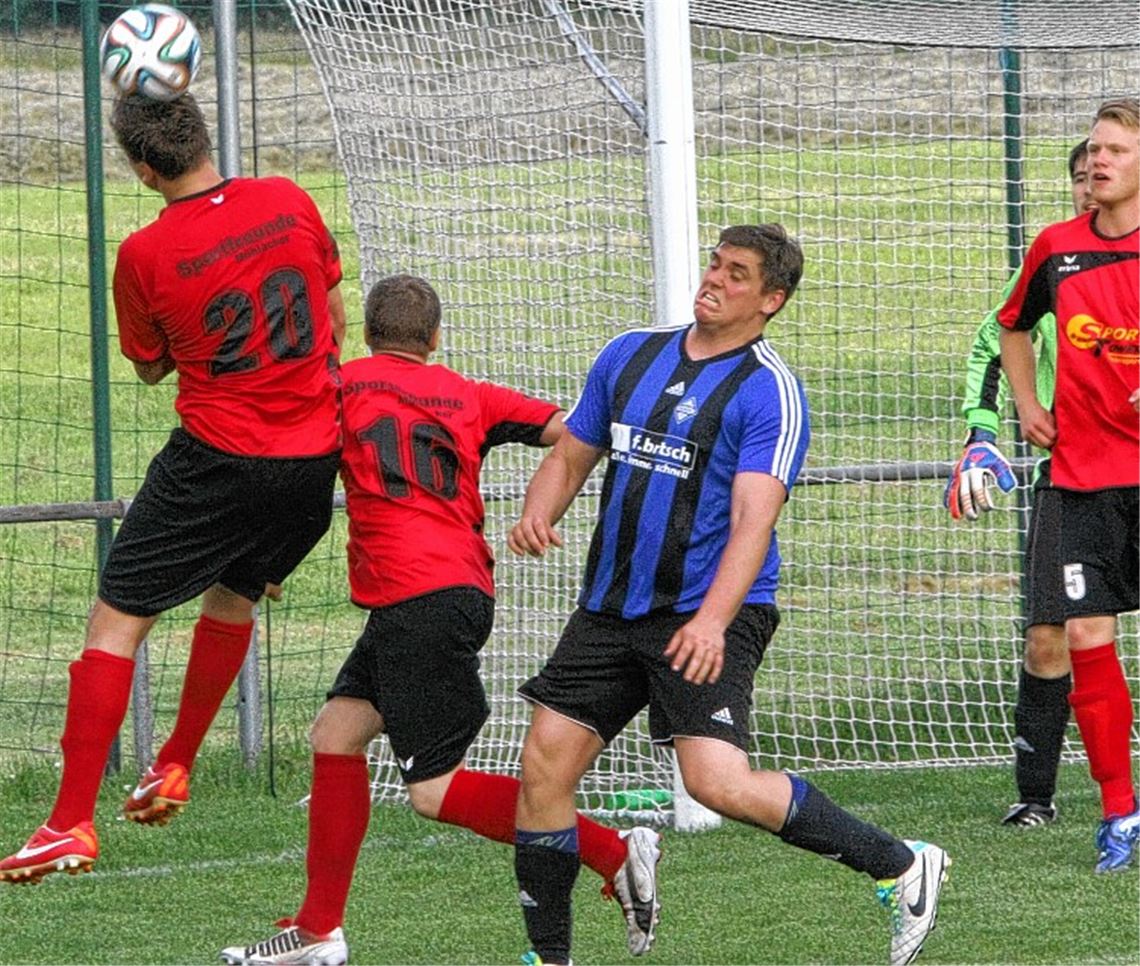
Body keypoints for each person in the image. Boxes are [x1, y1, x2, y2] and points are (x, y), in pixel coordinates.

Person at [507, 225, 950, 966]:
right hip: (611, 608)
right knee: (543, 767)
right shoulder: (629, 354)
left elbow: (755, 518)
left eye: (737, 274)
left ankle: (903, 864)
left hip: (713, 612)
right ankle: (550, 958)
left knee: (716, 784)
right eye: (716, 263)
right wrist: (536, 511)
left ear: (771, 300)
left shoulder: (769, 390)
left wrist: (712, 622)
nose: (714, 279)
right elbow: (572, 453)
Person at [219, 275, 661, 966]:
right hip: (447, 591)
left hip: (415, 600)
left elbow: (294, 482)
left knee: (433, 791)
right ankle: (317, 931)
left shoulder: (340, 387)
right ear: (434, 338)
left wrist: (266, 560)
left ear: (367, 334)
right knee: (336, 735)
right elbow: (572, 432)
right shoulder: (468, 394)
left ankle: (613, 850)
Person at [0, 92, 345, 883]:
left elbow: (152, 366)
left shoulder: (145, 255)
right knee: (234, 595)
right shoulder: (287, 198)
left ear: (144, 169)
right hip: (311, 459)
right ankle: (173, 763)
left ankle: (68, 824)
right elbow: (331, 313)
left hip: (218, 459)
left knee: (115, 622)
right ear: (202, 135)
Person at [998, 96, 1140, 873]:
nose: (1097, 161)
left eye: (1115, 149)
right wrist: (1026, 404)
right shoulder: (1057, 248)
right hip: (1084, 477)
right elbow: (1013, 325)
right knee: (1083, 634)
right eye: (1093, 149)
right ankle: (1120, 812)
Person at [944, 140, 1096, 827]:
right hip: (1070, 478)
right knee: (1050, 638)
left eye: (1105, 173)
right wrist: (985, 434)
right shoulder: (1055, 264)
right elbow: (991, 343)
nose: (1091, 190)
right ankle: (1036, 796)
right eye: (1080, 180)